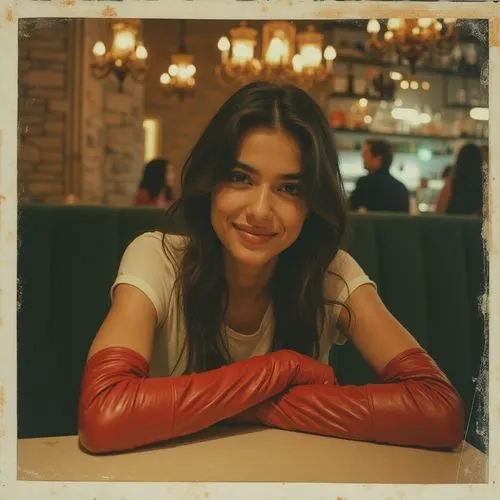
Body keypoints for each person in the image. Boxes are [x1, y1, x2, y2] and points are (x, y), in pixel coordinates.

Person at [78, 81, 464, 454]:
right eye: (240, 178)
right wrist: (282, 369)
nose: (261, 211)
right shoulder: (158, 258)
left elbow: (439, 409)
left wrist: (238, 402)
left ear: (312, 202)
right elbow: (103, 413)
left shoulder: (333, 273)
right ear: (211, 182)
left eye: (289, 188)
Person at [349, 140, 410, 213]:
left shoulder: (364, 183)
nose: (362, 157)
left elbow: (350, 211)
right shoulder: (401, 188)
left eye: (365, 154)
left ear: (377, 158)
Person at [435, 143, 484, 216]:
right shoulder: (487, 186)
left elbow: (438, 211)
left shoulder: (451, 184)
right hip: (478, 227)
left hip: (452, 226)